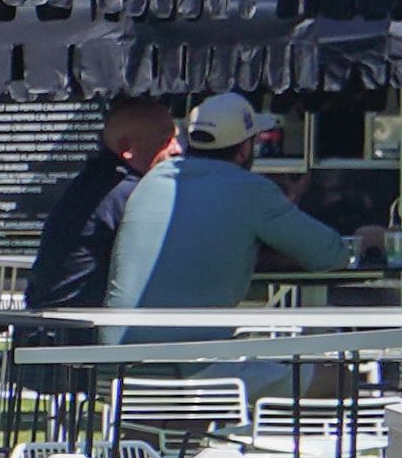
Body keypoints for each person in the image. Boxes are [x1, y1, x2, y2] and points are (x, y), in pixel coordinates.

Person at [110, 91, 387, 316]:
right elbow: (329, 256)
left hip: (118, 352)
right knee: (315, 367)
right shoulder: (250, 189)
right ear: (244, 149)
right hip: (191, 355)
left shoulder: (153, 180)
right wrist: (363, 242)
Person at [21, 92, 178, 313]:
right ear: (128, 148)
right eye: (165, 141)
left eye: (176, 138)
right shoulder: (127, 193)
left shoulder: (96, 181)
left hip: (51, 321)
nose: (177, 149)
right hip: (75, 326)